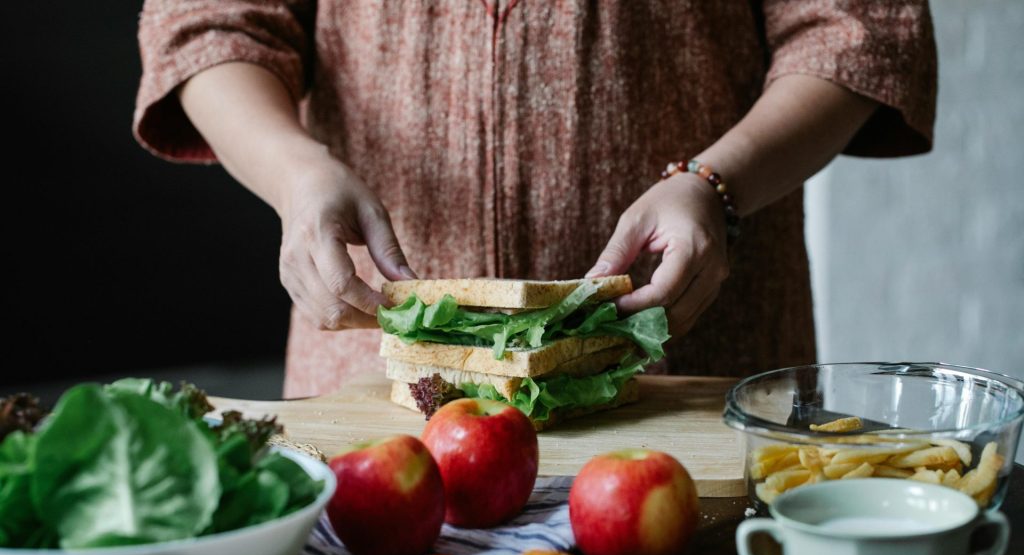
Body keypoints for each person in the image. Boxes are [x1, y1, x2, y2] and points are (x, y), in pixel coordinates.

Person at [133, 1, 936, 398]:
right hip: (377, 392)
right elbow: (207, 25)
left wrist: (715, 181)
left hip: (686, 378)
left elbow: (853, 26)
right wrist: (295, 173)